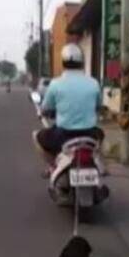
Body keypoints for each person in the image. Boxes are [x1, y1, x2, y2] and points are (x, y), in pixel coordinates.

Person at [32, 43, 104, 173]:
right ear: (81, 62)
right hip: (90, 134)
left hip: (64, 136)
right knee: (101, 135)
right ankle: (97, 161)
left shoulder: (55, 84)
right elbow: (99, 106)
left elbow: (45, 107)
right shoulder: (94, 83)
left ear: (63, 62)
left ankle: (53, 165)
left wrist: (43, 111)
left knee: (36, 136)